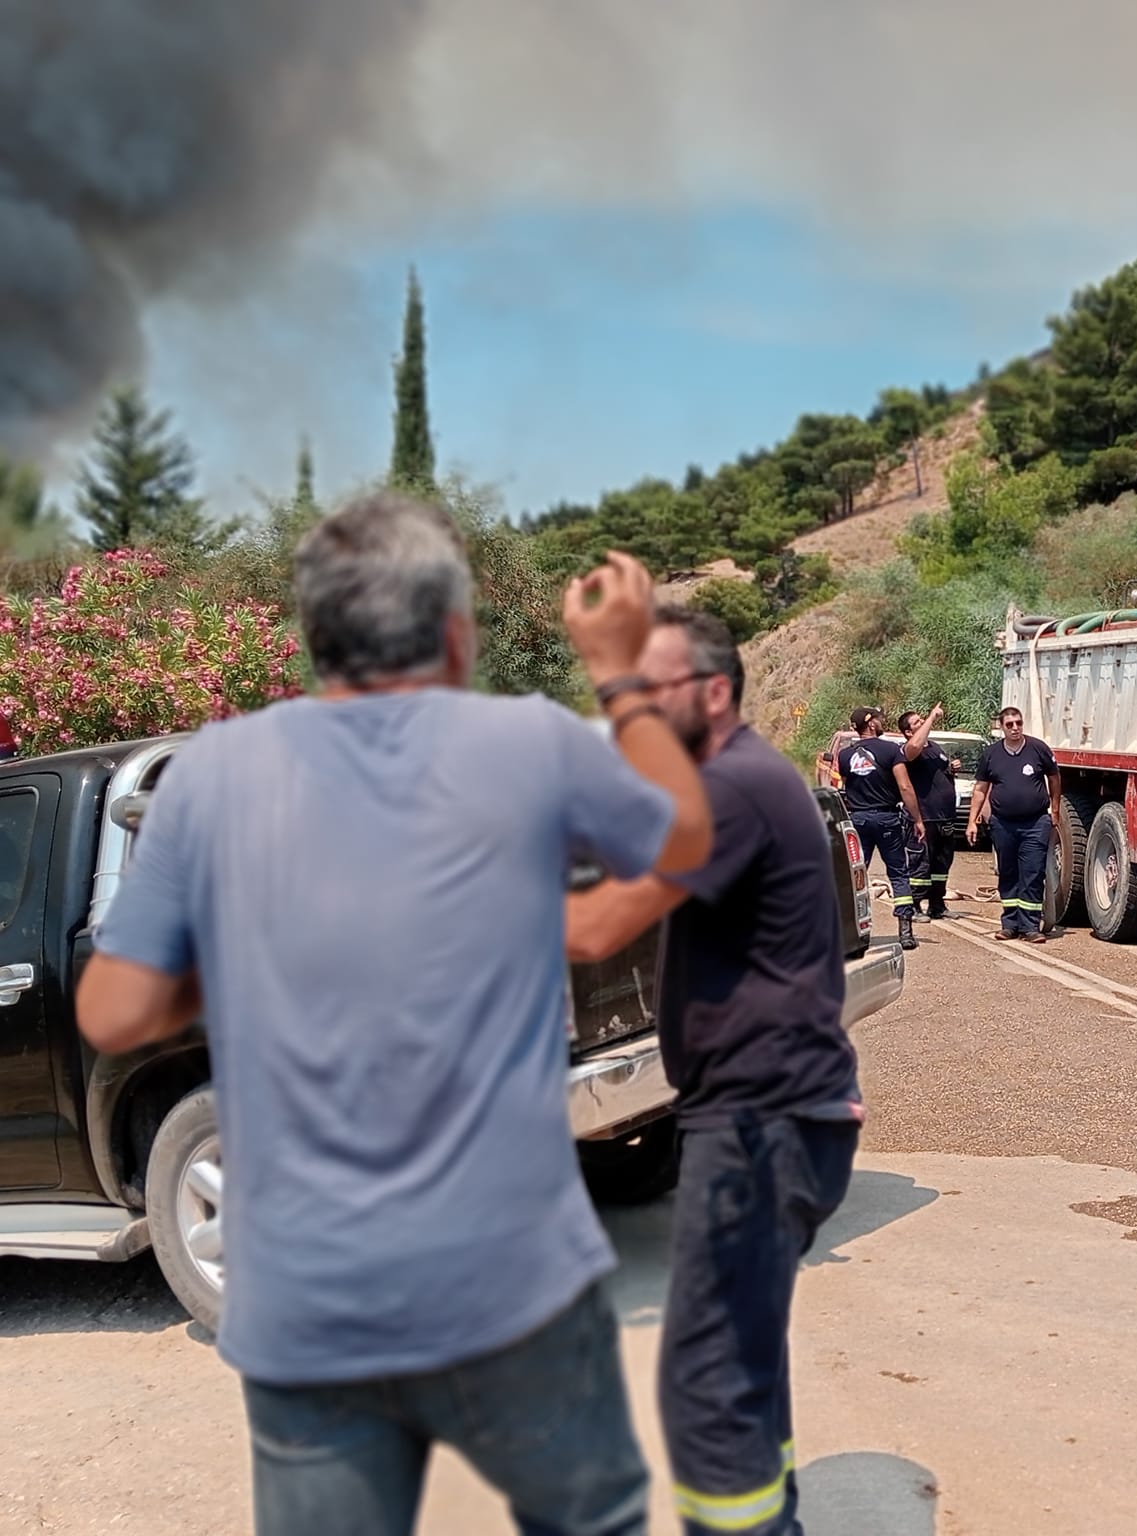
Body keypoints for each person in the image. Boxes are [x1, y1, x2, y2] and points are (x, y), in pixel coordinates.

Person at [74, 494, 715, 1536]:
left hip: (308, 1310)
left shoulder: (214, 778)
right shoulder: (525, 745)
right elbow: (684, 839)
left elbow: (113, 1009)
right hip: (513, 1289)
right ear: (456, 635)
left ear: (314, 637)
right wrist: (620, 673)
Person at [565, 605, 863, 1536]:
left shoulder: (730, 790)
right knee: (743, 1352)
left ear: (714, 692)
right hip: (782, 1115)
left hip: (757, 1125)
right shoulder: (737, 781)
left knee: (707, 1381)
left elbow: (598, 926)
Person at [965, 705, 1062, 943]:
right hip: (1003, 824)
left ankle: (1030, 927)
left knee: (1032, 873)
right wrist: (972, 821)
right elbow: (980, 789)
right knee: (1008, 873)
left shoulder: (1038, 749)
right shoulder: (991, 754)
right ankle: (1009, 925)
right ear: (1001, 727)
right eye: (1009, 724)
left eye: (1018, 723)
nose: (1015, 728)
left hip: (1035, 823)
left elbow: (1054, 778)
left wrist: (1055, 810)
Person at [835, 706, 925, 950]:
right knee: (898, 873)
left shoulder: (844, 756)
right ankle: (905, 932)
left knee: (855, 877)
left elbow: (844, 788)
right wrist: (917, 819)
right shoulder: (890, 751)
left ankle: (852, 932)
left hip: (858, 821)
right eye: (878, 718)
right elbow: (905, 787)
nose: (882, 720)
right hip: (887, 819)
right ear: (871, 724)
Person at [898, 705, 958, 920]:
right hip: (924, 816)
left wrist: (951, 769)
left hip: (944, 816)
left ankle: (937, 904)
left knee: (941, 863)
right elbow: (914, 747)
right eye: (917, 722)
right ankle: (914, 906)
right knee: (919, 863)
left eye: (922, 719)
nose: (922, 722)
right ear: (907, 732)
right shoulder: (909, 749)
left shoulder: (934, 748)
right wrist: (932, 717)